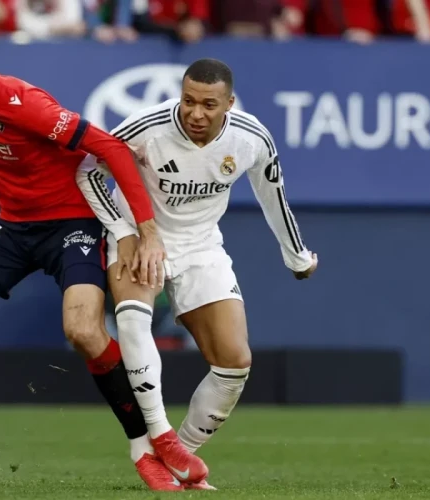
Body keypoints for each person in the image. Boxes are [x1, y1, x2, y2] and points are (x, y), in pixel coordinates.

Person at [0, 11, 184, 492]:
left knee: (83, 331)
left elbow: (111, 149)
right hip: (13, 226)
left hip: (72, 224)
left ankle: (144, 448)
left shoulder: (22, 103)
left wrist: (146, 232)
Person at [76, 58, 319, 490]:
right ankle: (161, 436)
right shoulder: (147, 126)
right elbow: (88, 171)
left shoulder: (251, 138)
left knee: (235, 364)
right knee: (132, 321)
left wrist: (297, 256)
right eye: (188, 101)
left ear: (229, 104)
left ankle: (176, 457)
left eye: (209, 105)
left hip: (201, 246)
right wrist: (123, 232)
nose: (195, 113)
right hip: (139, 235)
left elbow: (273, 196)